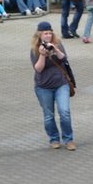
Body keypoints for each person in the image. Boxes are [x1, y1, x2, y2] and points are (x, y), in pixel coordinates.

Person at [31, 21, 76, 150]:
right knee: (49, 115)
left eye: (50, 33)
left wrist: (55, 49)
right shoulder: (34, 49)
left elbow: (64, 59)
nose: (48, 36)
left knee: (65, 112)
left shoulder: (58, 43)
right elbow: (38, 69)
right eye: (45, 33)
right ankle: (54, 139)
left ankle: (68, 139)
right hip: (43, 87)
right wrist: (42, 55)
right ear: (39, 35)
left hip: (61, 84)